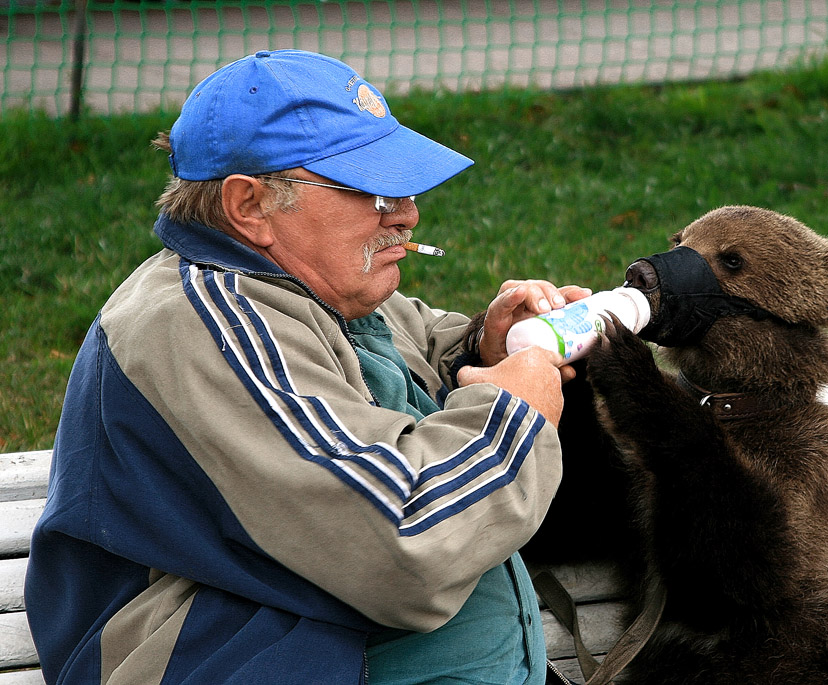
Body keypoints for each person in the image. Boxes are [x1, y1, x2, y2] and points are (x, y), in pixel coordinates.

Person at [25, 49, 590, 684]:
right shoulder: (204, 327)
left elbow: (402, 356)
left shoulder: (313, 289)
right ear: (251, 206)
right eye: (372, 189)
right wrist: (513, 412)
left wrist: (488, 349)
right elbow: (405, 541)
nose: (406, 212)